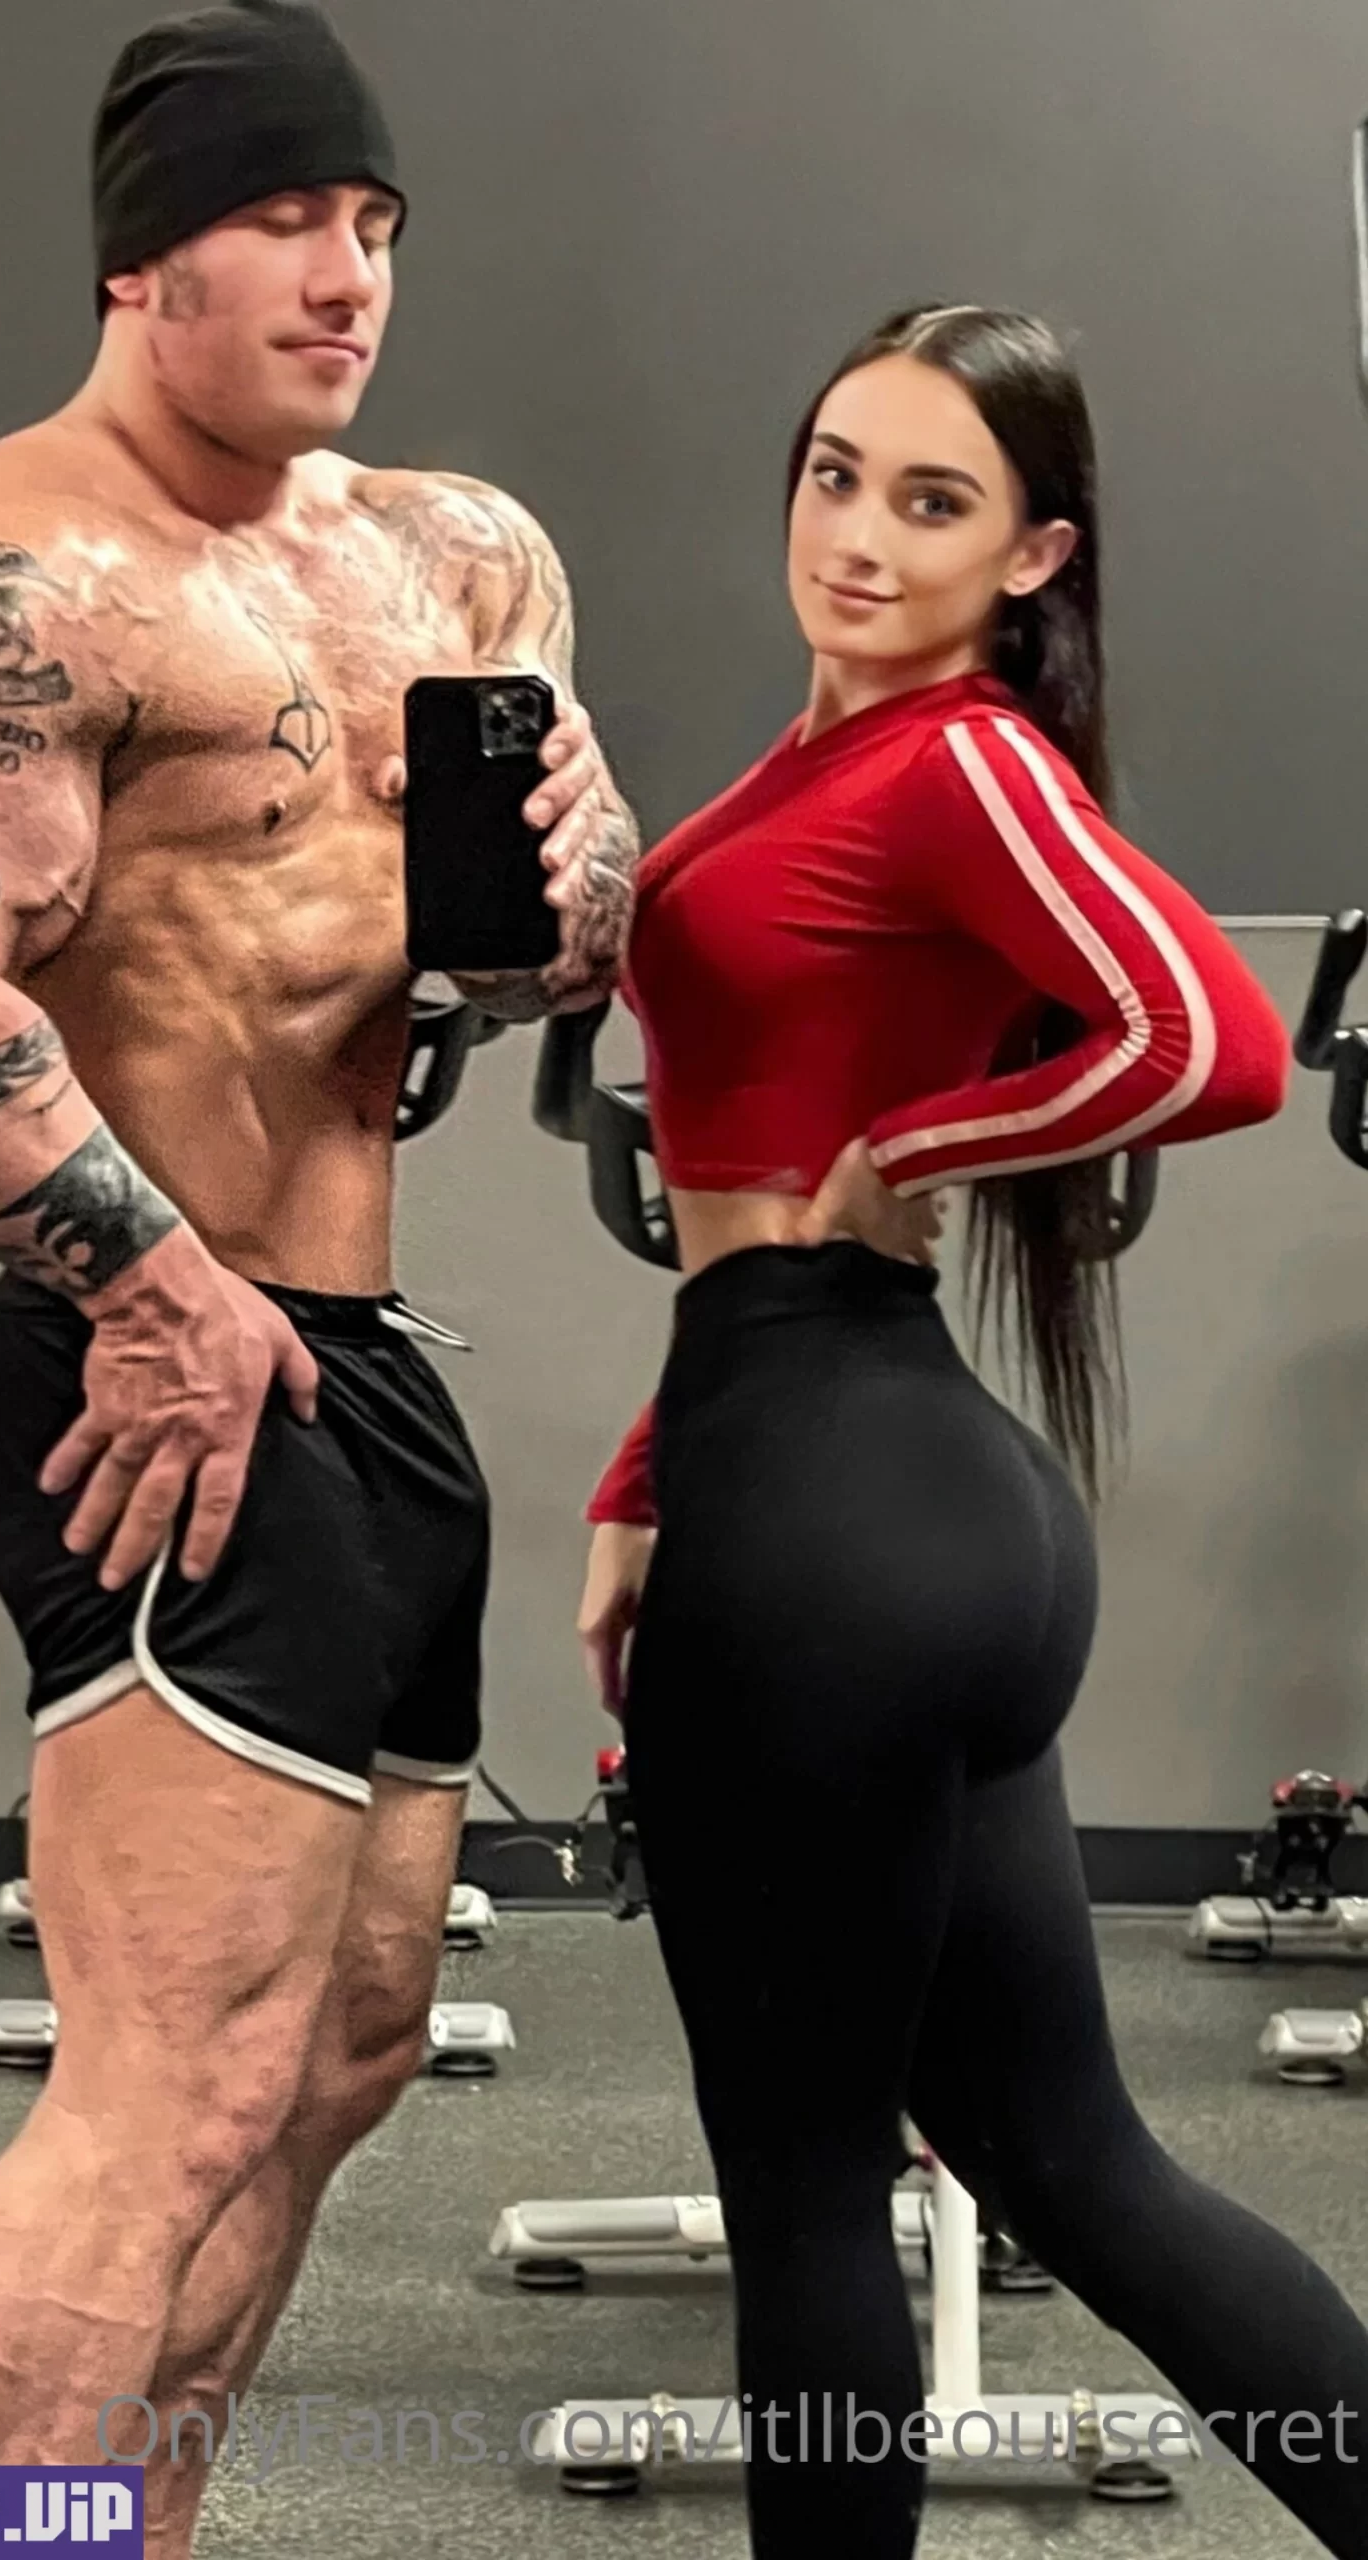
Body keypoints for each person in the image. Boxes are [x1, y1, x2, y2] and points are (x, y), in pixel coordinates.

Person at [0, 0, 639, 2536]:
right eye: (280, 221)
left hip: (359, 1357)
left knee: (342, 2048)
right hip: (157, 1366)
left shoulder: (452, 553)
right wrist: (152, 1290)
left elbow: (537, 960)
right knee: (171, 2086)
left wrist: (576, 872)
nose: (347, 277)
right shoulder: (7, 569)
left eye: (372, 224)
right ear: (143, 260)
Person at [574, 303, 1368, 2559]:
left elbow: (1210, 1042)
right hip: (854, 1477)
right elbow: (746, 1220)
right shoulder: (815, 756)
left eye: (933, 501)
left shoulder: (959, 759)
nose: (858, 532)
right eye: (835, 471)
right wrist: (646, 1476)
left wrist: (917, 1150)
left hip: (841, 1520)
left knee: (809, 2201)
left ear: (1032, 554)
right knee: (1070, 2165)